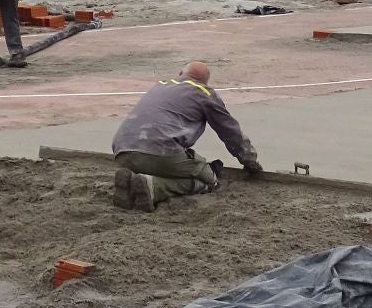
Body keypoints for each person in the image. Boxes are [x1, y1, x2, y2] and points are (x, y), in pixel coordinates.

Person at [110, 61, 262, 212]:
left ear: (180, 73)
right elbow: (230, 131)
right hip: (159, 152)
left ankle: (132, 182)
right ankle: (155, 188)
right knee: (209, 180)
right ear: (204, 82)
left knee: (162, 165)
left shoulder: (161, 85)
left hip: (121, 149)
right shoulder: (204, 93)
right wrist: (249, 160)